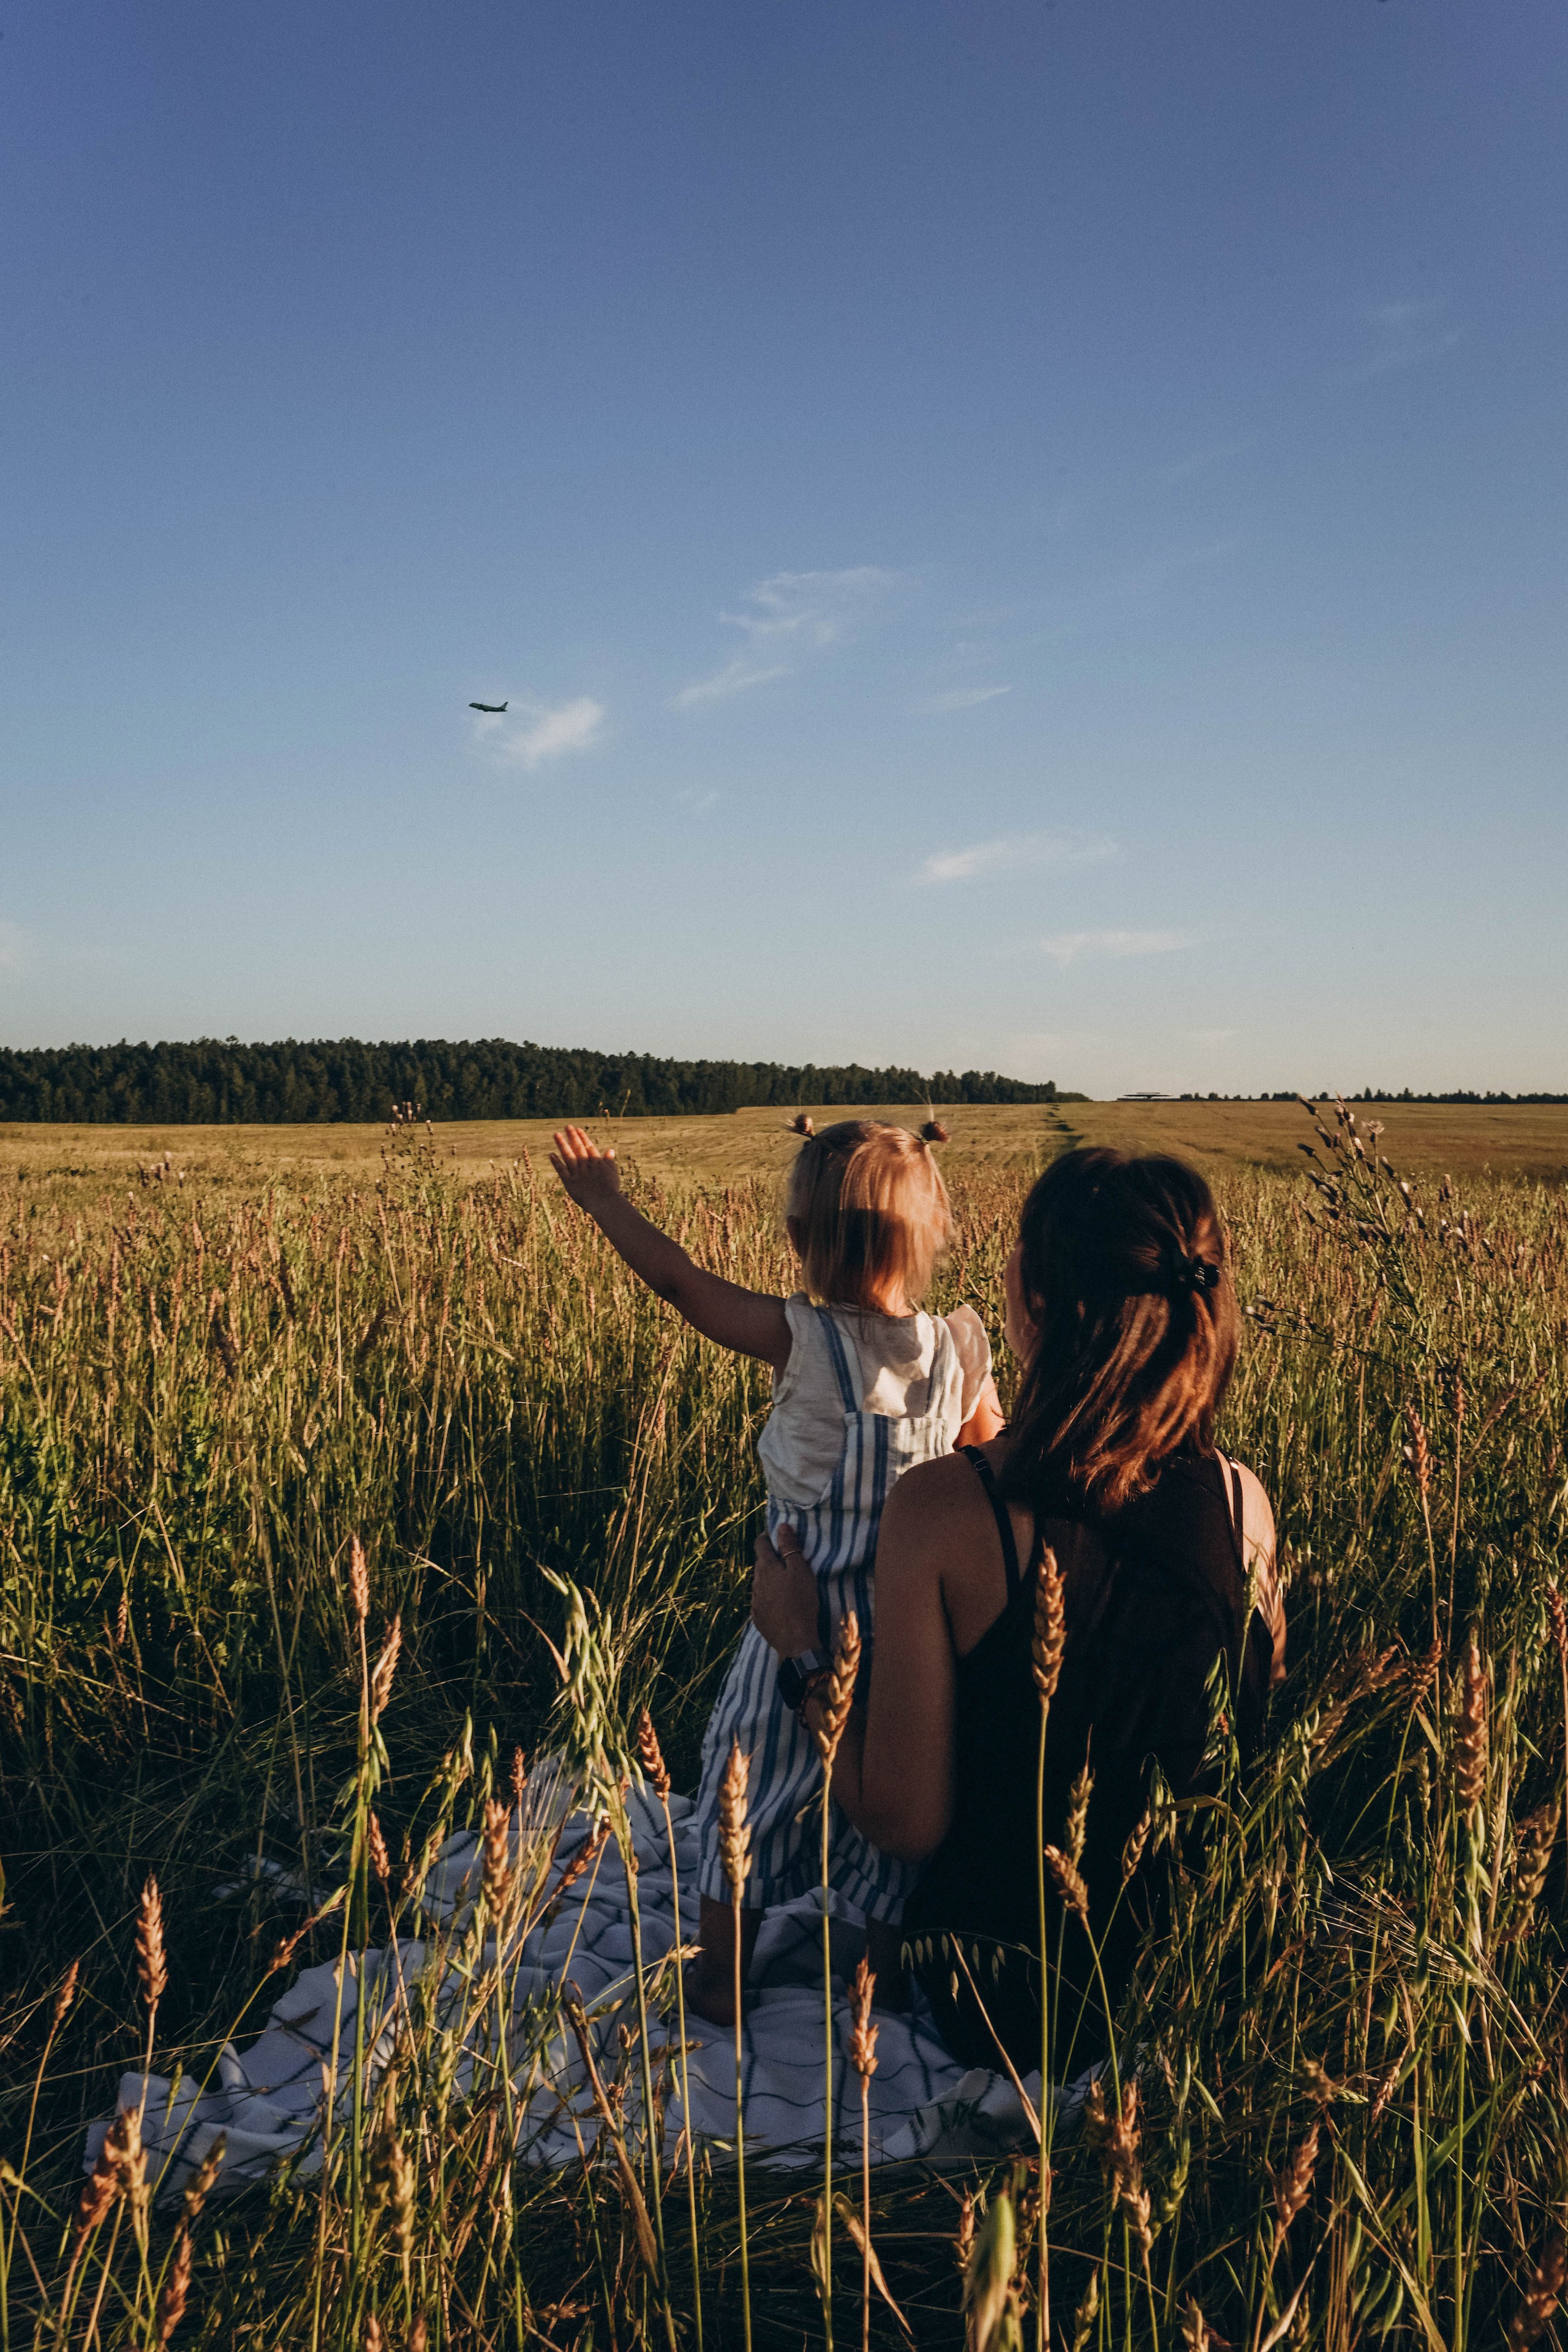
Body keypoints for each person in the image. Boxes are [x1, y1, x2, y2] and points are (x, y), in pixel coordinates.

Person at [752, 1145, 1284, 2077]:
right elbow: (1245, 1755)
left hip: (996, 2005)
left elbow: (903, 1821)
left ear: (1037, 1307)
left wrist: (800, 1653)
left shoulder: (947, 1511)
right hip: (1184, 1996)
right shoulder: (1248, 1507)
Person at [550, 1115, 1005, 2023]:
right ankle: (878, 1984)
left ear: (800, 1240)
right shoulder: (960, 1349)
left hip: (791, 1628)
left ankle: (721, 1982)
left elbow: (681, 1284)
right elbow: (988, 1461)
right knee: (888, 1846)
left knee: (742, 1797)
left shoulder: (799, 1337)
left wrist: (604, 1201)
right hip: (905, 1643)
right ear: (931, 1240)